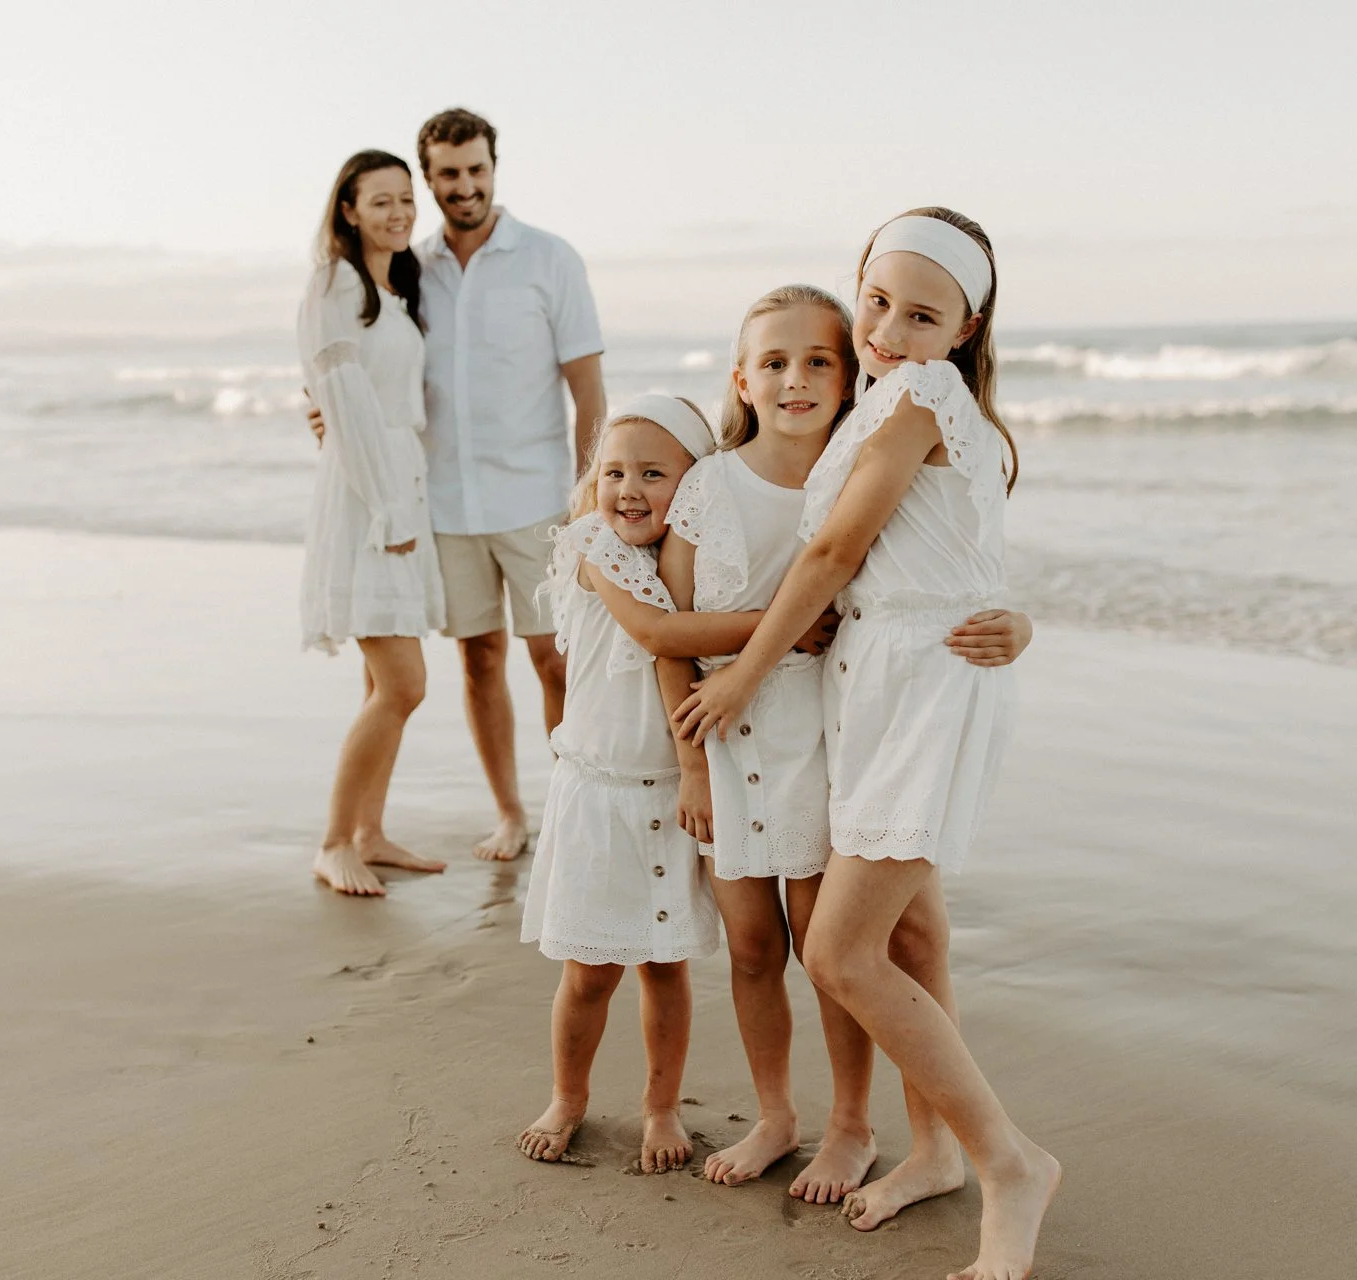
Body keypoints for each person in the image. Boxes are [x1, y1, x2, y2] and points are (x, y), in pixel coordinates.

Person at [676, 209, 1060, 1280]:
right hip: (879, 686)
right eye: (877, 300)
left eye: (922, 313)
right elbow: (953, 547)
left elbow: (843, 546)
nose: (888, 329)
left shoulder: (924, 393)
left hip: (924, 689)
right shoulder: (881, 400)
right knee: (912, 939)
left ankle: (1008, 1161)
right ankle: (932, 1148)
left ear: (967, 323)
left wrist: (743, 674)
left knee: (840, 950)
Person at [310, 107, 607, 862]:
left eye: (477, 170)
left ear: (494, 167)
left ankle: (577, 806)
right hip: (441, 503)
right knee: (478, 660)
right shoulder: (411, 268)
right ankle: (510, 815)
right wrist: (325, 412)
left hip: (536, 497)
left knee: (556, 661)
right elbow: (367, 363)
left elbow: (589, 392)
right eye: (447, 175)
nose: (464, 186)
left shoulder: (550, 260)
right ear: (429, 179)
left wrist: (587, 496)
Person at [517, 396, 722, 1173]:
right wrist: (786, 624)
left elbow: (683, 655)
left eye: (653, 473)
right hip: (598, 792)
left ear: (694, 484)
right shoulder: (593, 542)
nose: (629, 488)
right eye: (614, 471)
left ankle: (661, 1105)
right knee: (590, 971)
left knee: (665, 966)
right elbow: (659, 636)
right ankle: (569, 1096)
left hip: (663, 793)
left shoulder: (688, 559)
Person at [297, 150, 447, 897]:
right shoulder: (336, 282)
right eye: (379, 201)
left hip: (398, 483)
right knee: (403, 683)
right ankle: (333, 842)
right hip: (370, 498)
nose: (396, 213)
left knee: (380, 683)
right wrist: (387, 507)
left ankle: (370, 831)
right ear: (347, 210)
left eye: (404, 201)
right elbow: (343, 399)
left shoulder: (390, 290)